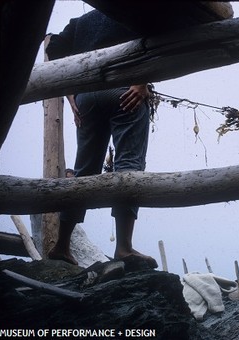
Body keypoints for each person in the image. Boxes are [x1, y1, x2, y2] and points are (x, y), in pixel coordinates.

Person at [46, 9, 157, 269]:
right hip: (125, 91)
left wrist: (72, 95)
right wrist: (142, 81)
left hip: (88, 98)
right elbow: (155, 40)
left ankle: (61, 245)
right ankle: (124, 247)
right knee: (129, 164)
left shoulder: (81, 22)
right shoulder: (134, 10)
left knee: (84, 171)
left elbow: (54, 48)